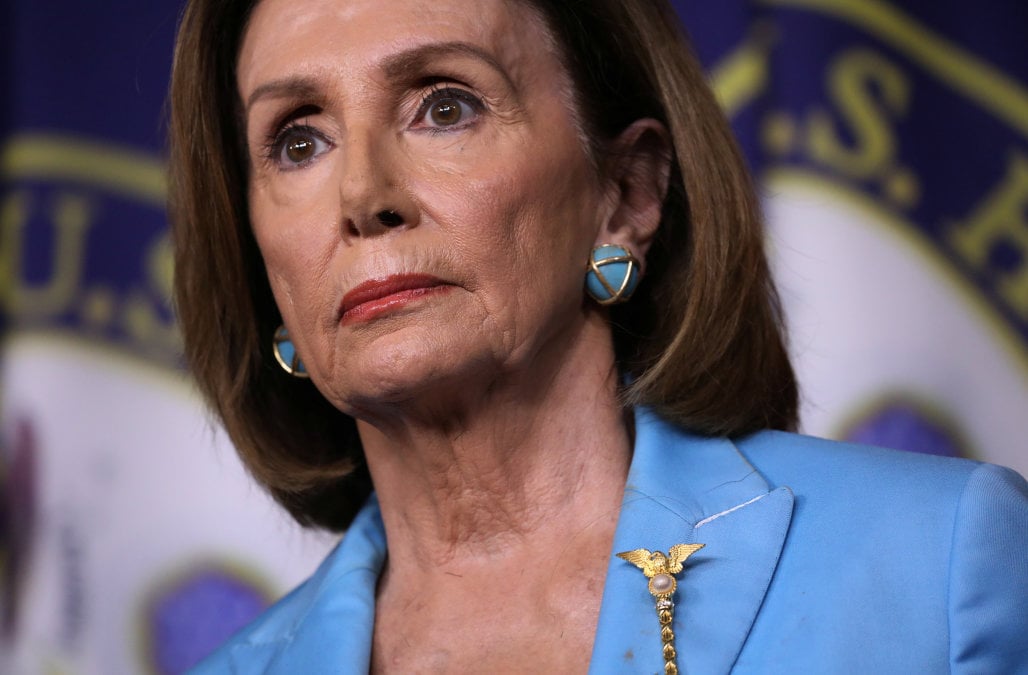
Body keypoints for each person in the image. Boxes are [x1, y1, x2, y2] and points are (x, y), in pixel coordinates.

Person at [167, 0, 1028, 672]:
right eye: (299, 140)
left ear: (626, 195)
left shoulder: (941, 562)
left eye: (445, 105)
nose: (362, 194)